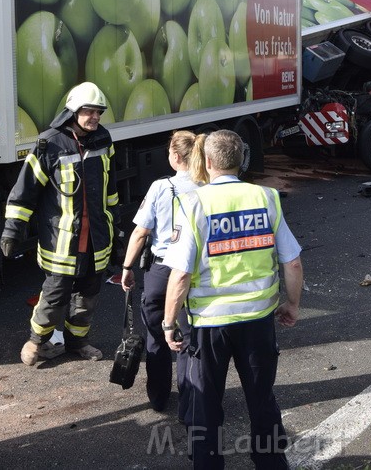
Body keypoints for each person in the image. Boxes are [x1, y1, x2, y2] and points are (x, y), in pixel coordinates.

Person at [162, 130, 303, 469]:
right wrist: (292, 305)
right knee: (261, 399)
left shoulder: (193, 203)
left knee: (205, 405)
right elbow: (293, 262)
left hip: (209, 325)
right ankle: (271, 464)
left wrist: (169, 323)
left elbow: (180, 275)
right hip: (257, 320)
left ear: (208, 162)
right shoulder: (267, 198)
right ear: (242, 161)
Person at [0, 82, 119, 366]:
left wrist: (118, 234)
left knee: (87, 296)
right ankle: (35, 342)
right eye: (89, 112)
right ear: (73, 111)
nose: (95, 118)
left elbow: (110, 192)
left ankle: (78, 342)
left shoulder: (104, 141)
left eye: (98, 112)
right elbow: (25, 190)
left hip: (96, 240)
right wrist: (12, 231)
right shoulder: (49, 144)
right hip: (61, 242)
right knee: (54, 297)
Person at [120, 130, 208, 411]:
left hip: (160, 272)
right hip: (193, 274)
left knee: (157, 338)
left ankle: (158, 397)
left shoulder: (160, 187)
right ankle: (189, 399)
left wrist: (127, 267)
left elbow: (140, 233)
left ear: (174, 156)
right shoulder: (207, 187)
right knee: (186, 337)